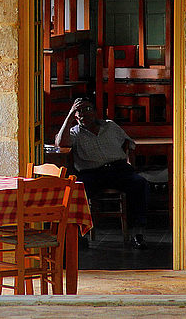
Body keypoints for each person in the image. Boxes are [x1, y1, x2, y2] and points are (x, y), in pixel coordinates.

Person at [55, 97, 149, 249]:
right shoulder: (74, 133)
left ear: (95, 112)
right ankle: (80, 235)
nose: (84, 114)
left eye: (87, 109)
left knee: (140, 184)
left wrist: (131, 163)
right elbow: (61, 143)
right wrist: (69, 115)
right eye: (79, 111)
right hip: (92, 173)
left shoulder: (110, 126)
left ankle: (137, 234)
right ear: (75, 116)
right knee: (77, 191)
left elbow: (129, 143)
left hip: (118, 169)